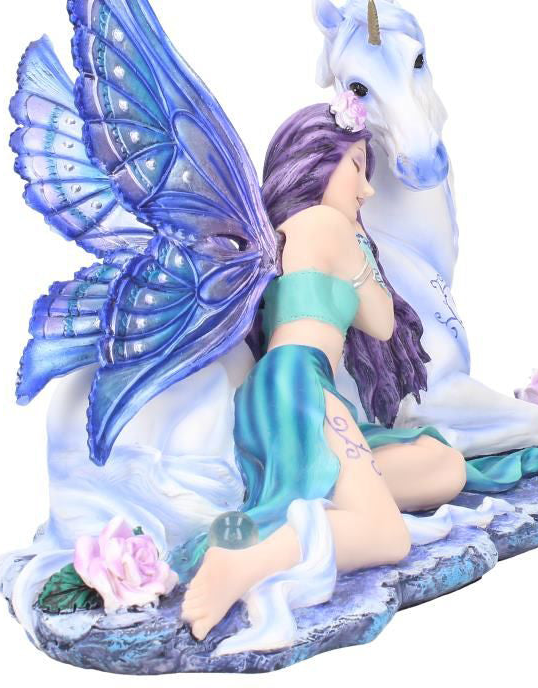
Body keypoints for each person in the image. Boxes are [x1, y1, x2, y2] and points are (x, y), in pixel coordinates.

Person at [179, 102, 472, 642]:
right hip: (299, 383)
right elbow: (381, 320)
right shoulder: (325, 223)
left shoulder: (286, 230)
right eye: (357, 166)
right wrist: (360, 236)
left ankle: (337, 507)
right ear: (318, 160)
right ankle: (248, 561)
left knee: (444, 466)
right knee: (387, 537)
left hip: (283, 388)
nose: (367, 190)